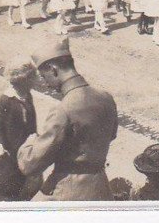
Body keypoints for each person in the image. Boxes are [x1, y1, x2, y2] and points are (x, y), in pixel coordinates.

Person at [18, 37, 118, 201]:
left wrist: (30, 142)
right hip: (100, 188)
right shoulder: (106, 97)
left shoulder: (62, 109)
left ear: (53, 69)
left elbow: (30, 165)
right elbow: (111, 135)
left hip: (68, 193)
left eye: (44, 77)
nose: (46, 84)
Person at [0, 57, 40, 200]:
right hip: (11, 150)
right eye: (31, 79)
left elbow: (31, 120)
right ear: (21, 81)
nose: (33, 82)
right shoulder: (3, 101)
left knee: (29, 180)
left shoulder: (27, 95)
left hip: (27, 147)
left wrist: (34, 135)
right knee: (14, 181)